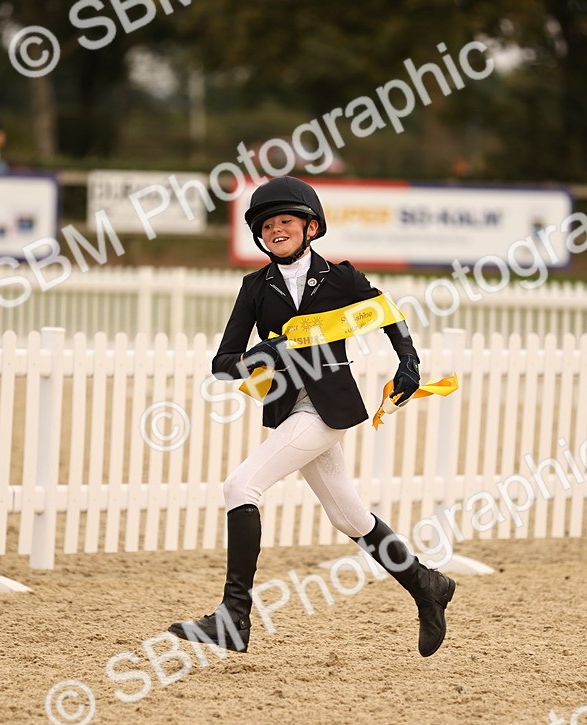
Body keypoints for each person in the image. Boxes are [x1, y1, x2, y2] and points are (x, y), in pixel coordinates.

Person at [168, 176, 457, 657]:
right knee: (350, 516)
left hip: (329, 408)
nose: (276, 230)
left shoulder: (340, 277)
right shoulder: (255, 287)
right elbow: (223, 364)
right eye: (267, 225)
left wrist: (409, 361)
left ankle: (233, 616)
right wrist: (264, 352)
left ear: (311, 227)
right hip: (287, 406)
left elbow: (386, 313)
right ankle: (427, 585)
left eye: (286, 221)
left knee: (241, 486)